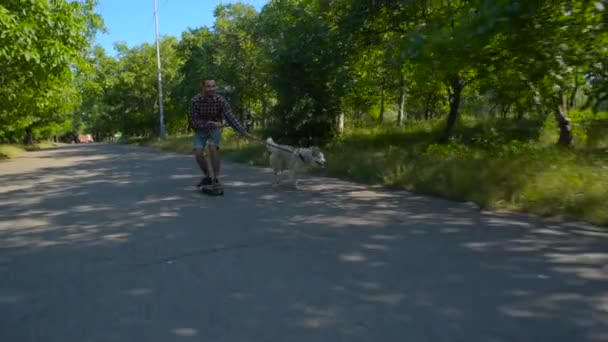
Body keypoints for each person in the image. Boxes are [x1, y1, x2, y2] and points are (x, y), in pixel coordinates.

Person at [188, 79, 253, 188]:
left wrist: (242, 131)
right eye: (208, 86)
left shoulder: (220, 100)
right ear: (203, 87)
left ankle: (216, 178)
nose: (211, 89)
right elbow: (194, 121)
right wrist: (208, 124)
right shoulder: (195, 101)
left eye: (213, 86)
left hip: (215, 128)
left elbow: (230, 117)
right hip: (201, 129)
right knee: (198, 153)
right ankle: (208, 176)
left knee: (213, 148)